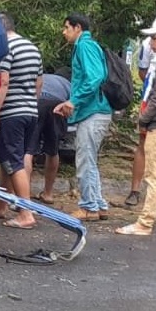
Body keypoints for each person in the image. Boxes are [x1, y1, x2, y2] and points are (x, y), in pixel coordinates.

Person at [116, 15, 156, 235]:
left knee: (155, 175)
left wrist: (143, 119)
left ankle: (145, 223)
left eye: (155, 37)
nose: (151, 42)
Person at [0, 13, 42, 229]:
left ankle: (25, 213)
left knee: (13, 162)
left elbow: (3, 81)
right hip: (30, 112)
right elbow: (38, 82)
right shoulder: (32, 47)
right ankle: (1, 205)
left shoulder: (6, 47)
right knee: (9, 159)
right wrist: (29, 104)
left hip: (11, 113)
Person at [54, 13, 114, 222]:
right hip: (94, 110)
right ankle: (99, 205)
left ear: (77, 27)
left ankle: (88, 207)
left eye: (66, 27)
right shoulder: (89, 46)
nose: (64, 32)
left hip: (94, 112)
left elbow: (95, 77)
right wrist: (71, 102)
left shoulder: (84, 46)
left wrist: (73, 101)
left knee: (85, 159)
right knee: (90, 159)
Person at [125, 7, 156, 208]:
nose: (153, 39)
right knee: (143, 145)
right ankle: (135, 190)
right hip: (152, 99)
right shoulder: (148, 44)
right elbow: (143, 73)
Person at [25, 72, 71, 204]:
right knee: (53, 150)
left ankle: (25, 194)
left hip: (37, 102)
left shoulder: (42, 76)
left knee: (28, 151)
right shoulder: (67, 83)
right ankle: (48, 193)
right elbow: (71, 106)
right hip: (57, 106)